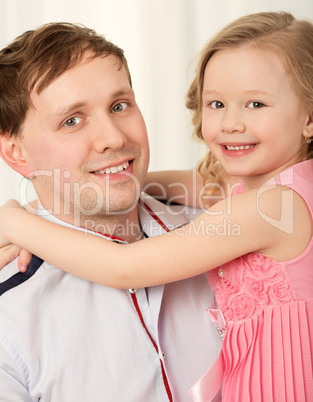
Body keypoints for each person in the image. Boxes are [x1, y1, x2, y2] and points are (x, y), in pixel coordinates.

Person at [0, 22, 223, 401]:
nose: (115, 138)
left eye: (120, 106)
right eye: (72, 120)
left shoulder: (224, 231)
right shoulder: (11, 314)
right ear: (16, 154)